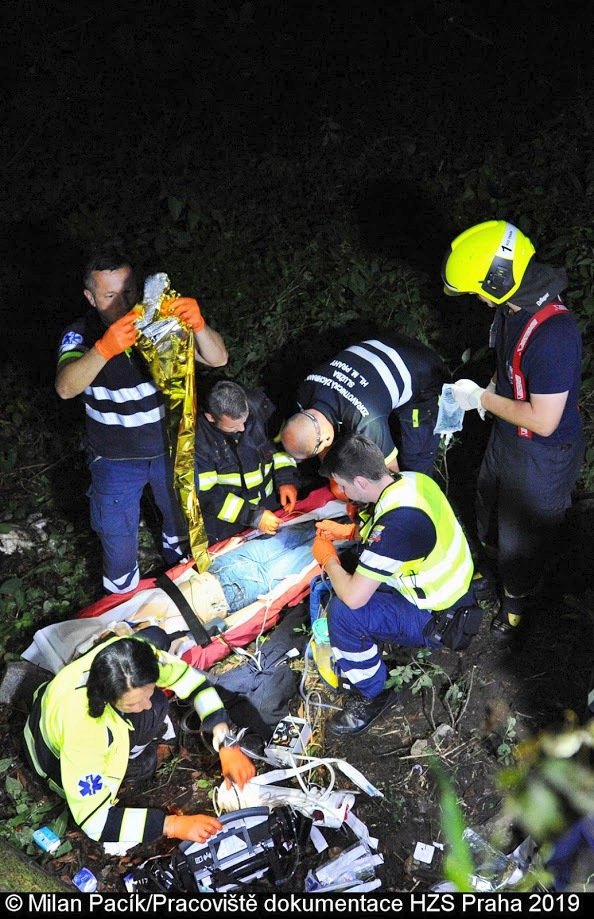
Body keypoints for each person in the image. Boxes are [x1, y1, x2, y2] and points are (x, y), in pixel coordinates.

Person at [56, 245, 228, 594]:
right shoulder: (81, 333)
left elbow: (218, 358)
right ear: (90, 297)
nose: (122, 302)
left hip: (170, 451)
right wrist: (104, 348)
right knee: (118, 543)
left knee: (182, 528)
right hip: (114, 459)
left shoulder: (159, 320)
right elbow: (65, 387)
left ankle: (186, 596)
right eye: (109, 295)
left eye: (129, 290)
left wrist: (197, 325)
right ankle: (123, 618)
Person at [442, 220, 584, 638]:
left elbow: (544, 420)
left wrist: (482, 400)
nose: (479, 300)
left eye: (479, 291)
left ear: (499, 280)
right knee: (488, 510)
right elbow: (508, 369)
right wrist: (485, 390)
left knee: (523, 539)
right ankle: (495, 572)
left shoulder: (555, 334)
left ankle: (518, 607)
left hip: (544, 452)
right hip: (507, 438)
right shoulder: (511, 309)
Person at [23, 632, 255, 848]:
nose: (144, 704)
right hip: (52, 756)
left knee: (157, 700)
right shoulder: (85, 732)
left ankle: (133, 744)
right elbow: (95, 822)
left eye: (147, 691)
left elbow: (191, 681)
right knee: (145, 753)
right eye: (132, 704)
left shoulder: (130, 659)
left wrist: (225, 740)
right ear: (106, 697)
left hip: (53, 704)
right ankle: (132, 764)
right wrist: (171, 825)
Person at [310, 434, 476, 735]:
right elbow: (386, 529)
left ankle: (372, 693)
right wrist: (349, 533)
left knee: (343, 611)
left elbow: (354, 597)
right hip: (454, 591)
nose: (343, 494)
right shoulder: (411, 480)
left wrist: (327, 559)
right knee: (356, 571)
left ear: (360, 481)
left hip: (439, 618)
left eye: (344, 487)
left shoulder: (399, 524)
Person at [280, 334, 449, 476]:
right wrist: (335, 478)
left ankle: (423, 504)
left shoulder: (367, 420)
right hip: (391, 343)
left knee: (414, 458)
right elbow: (322, 442)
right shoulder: (306, 389)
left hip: (426, 373)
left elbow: (390, 473)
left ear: (326, 439)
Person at [195, 380, 299, 544]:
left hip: (270, 501)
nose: (243, 429)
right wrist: (252, 516)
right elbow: (207, 494)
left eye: (245, 420)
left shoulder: (260, 406)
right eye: (232, 427)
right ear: (210, 417)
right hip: (230, 519)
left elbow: (280, 444)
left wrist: (286, 479)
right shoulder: (198, 440)